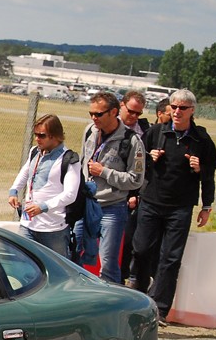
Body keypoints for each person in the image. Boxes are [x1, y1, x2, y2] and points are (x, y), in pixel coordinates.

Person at [133, 88, 216, 325]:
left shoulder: (201, 139)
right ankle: (138, 300)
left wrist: (207, 204)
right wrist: (150, 159)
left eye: (182, 108)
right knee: (140, 251)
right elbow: (138, 167)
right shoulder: (155, 133)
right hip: (151, 201)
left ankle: (159, 309)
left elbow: (210, 174)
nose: (177, 112)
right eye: (174, 107)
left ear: (192, 111)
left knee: (170, 258)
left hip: (180, 206)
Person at [75, 91, 145, 284]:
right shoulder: (89, 131)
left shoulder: (132, 141)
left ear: (113, 112)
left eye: (98, 114)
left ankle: (112, 303)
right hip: (86, 205)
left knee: (107, 262)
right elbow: (83, 162)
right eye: (91, 113)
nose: (93, 118)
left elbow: (136, 180)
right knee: (73, 254)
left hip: (112, 208)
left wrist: (104, 172)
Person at [8, 114, 80, 259]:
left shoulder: (68, 159)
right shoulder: (35, 152)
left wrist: (43, 206)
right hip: (27, 225)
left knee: (59, 270)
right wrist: (14, 190)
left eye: (41, 135)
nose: (37, 139)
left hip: (53, 229)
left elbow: (70, 194)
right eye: (36, 134)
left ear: (55, 136)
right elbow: (26, 171)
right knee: (24, 266)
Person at [117, 91, 150, 284]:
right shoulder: (108, 127)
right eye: (131, 111)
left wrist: (135, 194)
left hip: (133, 195)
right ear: (121, 105)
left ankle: (123, 278)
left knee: (128, 241)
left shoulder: (144, 133)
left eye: (138, 113)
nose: (134, 117)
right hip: (108, 192)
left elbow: (144, 170)